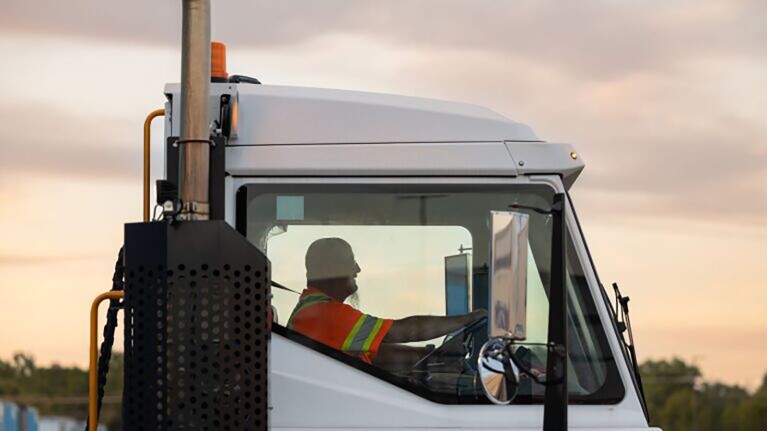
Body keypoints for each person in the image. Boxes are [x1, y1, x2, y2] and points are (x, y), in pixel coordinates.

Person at [287, 237, 486, 368]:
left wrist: (434, 356)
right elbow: (400, 331)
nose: (357, 269)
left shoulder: (314, 309)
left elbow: (379, 353)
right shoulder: (324, 313)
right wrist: (467, 319)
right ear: (329, 268)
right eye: (350, 261)